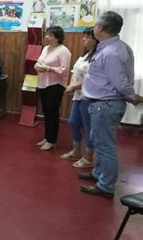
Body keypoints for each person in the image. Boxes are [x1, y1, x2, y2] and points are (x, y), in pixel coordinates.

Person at [79, 11, 143, 198]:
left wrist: (133, 98)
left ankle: (105, 186)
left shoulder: (111, 52)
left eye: (96, 24)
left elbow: (121, 82)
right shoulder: (114, 47)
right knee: (100, 142)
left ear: (101, 28)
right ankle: (98, 174)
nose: (94, 27)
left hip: (105, 105)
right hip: (103, 104)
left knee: (106, 146)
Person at [60, 28, 98, 168]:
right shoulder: (84, 55)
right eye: (84, 37)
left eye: (87, 37)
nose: (84, 39)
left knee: (89, 127)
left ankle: (88, 157)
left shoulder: (98, 56)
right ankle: (76, 151)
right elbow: (75, 72)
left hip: (89, 96)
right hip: (78, 95)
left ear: (96, 39)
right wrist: (71, 86)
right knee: (73, 123)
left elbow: (91, 79)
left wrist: (73, 87)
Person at [35, 26, 71, 151]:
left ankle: (52, 140)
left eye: (50, 35)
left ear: (58, 37)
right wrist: (37, 66)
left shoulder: (63, 51)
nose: (46, 37)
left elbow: (64, 70)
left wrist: (48, 68)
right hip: (43, 83)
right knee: (46, 112)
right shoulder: (45, 48)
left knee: (53, 112)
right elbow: (39, 62)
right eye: (46, 34)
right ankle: (46, 137)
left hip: (56, 85)